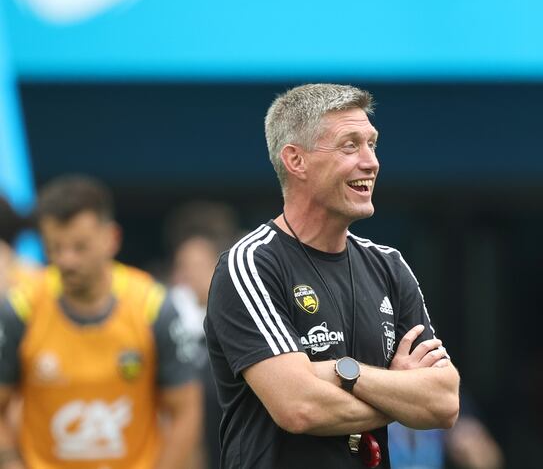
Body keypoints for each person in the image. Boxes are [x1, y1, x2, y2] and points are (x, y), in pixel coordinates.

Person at [204, 83, 459, 468]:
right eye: (349, 145)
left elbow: (443, 403)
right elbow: (299, 407)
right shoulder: (251, 264)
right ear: (296, 161)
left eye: (372, 144)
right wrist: (399, 395)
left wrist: (345, 372)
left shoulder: (389, 265)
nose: (371, 161)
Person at [0, 175, 201, 468]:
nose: (67, 260)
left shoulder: (153, 308)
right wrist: (9, 460)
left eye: (80, 247)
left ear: (112, 238)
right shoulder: (21, 310)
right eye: (55, 247)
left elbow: (185, 411)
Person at [166, 201, 241, 469]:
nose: (188, 275)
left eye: (197, 265)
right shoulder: (169, 322)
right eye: (182, 266)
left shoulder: (243, 324)